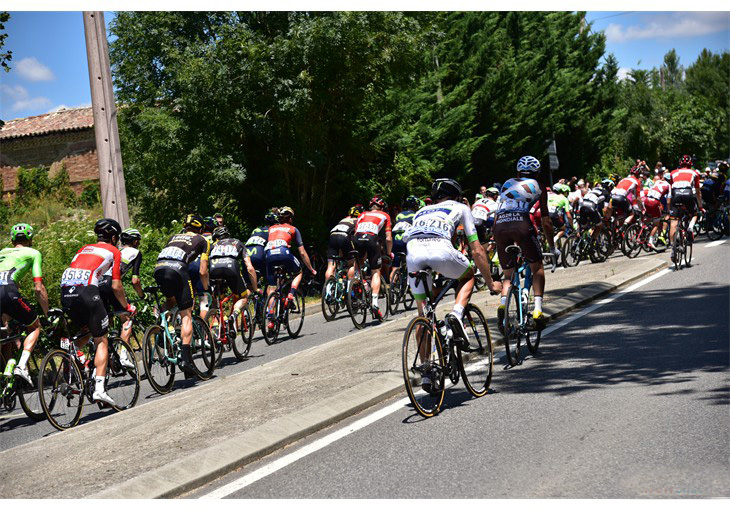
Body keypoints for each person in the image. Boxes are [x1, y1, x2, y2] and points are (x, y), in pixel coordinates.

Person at [405, 178, 501, 389]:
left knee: (424, 314)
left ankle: (427, 373)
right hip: (440, 250)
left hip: (413, 255)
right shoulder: (461, 207)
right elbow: (476, 249)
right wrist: (491, 283)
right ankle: (457, 315)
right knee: (467, 276)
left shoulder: (422, 211)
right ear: (457, 195)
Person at [61, 218, 135, 405]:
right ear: (113, 237)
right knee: (101, 339)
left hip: (65, 291)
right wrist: (126, 307)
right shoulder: (114, 251)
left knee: (87, 329)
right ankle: (100, 389)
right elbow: (116, 285)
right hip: (87, 291)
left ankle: (72, 353)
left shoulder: (83, 249)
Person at [494, 156, 558, 331]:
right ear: (537, 173)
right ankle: (537, 310)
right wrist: (552, 248)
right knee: (536, 267)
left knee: (508, 275)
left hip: (499, 225)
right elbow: (546, 221)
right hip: (521, 223)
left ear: (518, 172)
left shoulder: (507, 183)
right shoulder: (540, 187)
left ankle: (503, 303)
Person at [154, 214, 210, 375]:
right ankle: (185, 358)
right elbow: (202, 269)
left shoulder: (173, 237)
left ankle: (163, 325)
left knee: (170, 301)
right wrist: (205, 288)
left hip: (159, 269)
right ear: (200, 228)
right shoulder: (202, 240)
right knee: (187, 313)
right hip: (178, 270)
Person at [0, 224, 49, 384]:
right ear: (30, 238)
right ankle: (21, 365)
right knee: (35, 327)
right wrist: (46, 315)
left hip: (4, 293)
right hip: (8, 292)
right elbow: (38, 288)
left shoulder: (2, 253)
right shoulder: (33, 253)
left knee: (5, 334)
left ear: (12, 239)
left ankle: (6, 372)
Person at [264, 207, 316, 329]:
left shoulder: (271, 228)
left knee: (272, 287)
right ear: (291, 219)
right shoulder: (293, 229)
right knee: (298, 272)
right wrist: (311, 269)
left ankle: (271, 317)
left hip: (269, 255)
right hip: (284, 254)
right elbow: (302, 252)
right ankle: (291, 294)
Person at [98, 228, 145, 353]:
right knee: (126, 318)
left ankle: (107, 352)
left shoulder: (115, 251)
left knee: (106, 321)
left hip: (97, 284)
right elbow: (135, 281)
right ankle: (122, 354)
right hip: (112, 283)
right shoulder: (136, 252)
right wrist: (141, 295)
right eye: (138, 241)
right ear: (135, 241)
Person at [353, 196, 393, 319]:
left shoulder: (362, 214)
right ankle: (375, 303)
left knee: (358, 262)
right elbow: (388, 238)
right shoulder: (385, 215)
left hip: (357, 238)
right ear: (382, 207)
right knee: (376, 271)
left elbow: (356, 232)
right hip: (371, 238)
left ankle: (358, 282)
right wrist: (389, 252)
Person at [209, 226, 257, 322]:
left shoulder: (212, 245)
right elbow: (249, 267)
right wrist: (255, 289)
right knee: (243, 297)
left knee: (217, 300)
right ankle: (233, 316)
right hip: (231, 267)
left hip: (213, 268)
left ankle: (217, 323)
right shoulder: (237, 242)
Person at [669, 155, 703, 264]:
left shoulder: (673, 173)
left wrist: (669, 207)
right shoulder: (694, 173)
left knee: (674, 222)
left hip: (675, 195)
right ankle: (690, 228)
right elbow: (698, 192)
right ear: (691, 164)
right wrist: (701, 206)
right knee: (695, 214)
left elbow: (671, 190)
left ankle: (673, 247)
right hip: (688, 194)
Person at [324, 205, 362, 281]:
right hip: (344, 236)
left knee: (331, 265)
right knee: (351, 263)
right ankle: (349, 286)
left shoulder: (343, 219)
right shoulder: (358, 221)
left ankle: (328, 288)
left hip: (332, 236)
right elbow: (356, 236)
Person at [188, 216, 215, 319]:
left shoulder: (189, 239)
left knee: (189, 299)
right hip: (199, 266)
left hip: (183, 267)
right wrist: (207, 288)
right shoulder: (206, 240)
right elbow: (204, 269)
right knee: (204, 300)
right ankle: (202, 330)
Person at [390, 196, 418, 280]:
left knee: (395, 266)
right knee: (412, 262)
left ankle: (392, 285)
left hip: (396, 239)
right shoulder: (416, 215)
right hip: (407, 240)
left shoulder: (399, 215)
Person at [246, 211, 277, 283]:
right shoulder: (272, 231)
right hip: (259, 253)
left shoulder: (256, 229)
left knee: (249, 285)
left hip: (247, 254)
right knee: (270, 278)